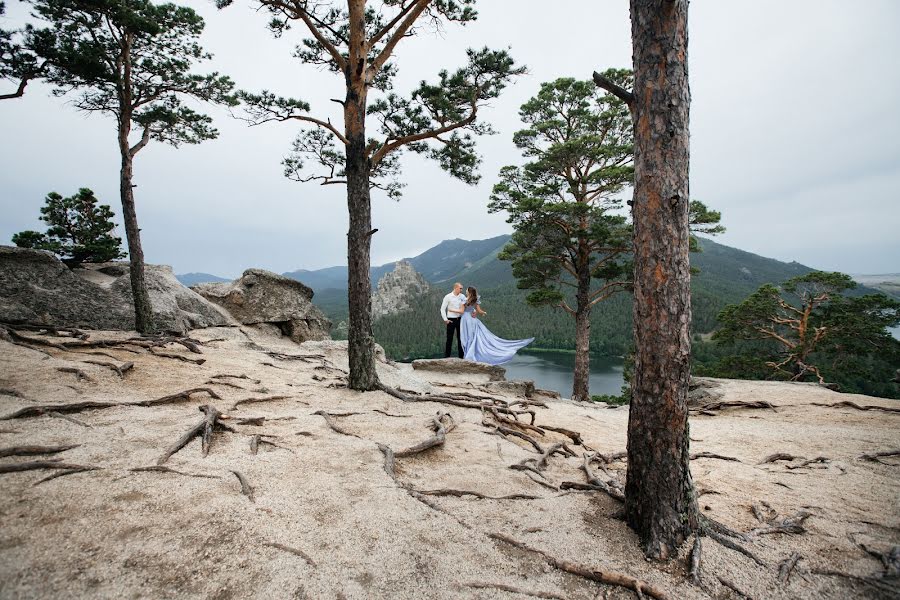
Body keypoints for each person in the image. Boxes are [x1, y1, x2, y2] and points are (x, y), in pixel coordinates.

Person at [460, 286, 534, 365]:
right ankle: (471, 354)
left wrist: (451, 310)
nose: (465, 291)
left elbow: (462, 311)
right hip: (473, 320)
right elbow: (479, 310)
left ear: (469, 292)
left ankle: (468, 355)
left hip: (465, 319)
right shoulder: (475, 300)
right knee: (473, 336)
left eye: (467, 290)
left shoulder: (464, 300)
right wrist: (481, 312)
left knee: (467, 336)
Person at [440, 282, 466, 358]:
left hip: (460, 319)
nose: (461, 290)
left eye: (462, 288)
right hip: (451, 320)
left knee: (461, 338)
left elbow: (467, 304)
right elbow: (442, 309)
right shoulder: (448, 297)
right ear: (455, 288)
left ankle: (461, 357)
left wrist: (473, 310)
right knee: (449, 338)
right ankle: (447, 357)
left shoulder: (462, 296)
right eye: (460, 288)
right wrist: (445, 319)